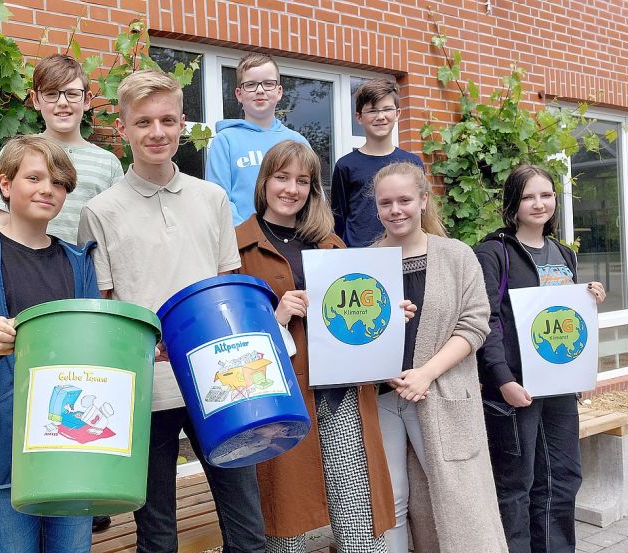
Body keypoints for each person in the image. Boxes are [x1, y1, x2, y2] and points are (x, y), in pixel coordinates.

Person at [77, 69, 266, 553]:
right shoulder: (100, 210)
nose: (156, 132)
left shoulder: (213, 198)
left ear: (183, 123)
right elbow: (105, 304)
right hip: (148, 388)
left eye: (166, 120)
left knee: (246, 525)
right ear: (123, 130)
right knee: (156, 532)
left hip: (220, 383)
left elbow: (227, 284)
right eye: (143, 123)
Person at [0, 136, 98, 553]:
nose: (49, 188)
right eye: (35, 177)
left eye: (59, 182)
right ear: (5, 184)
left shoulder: (79, 263)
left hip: (70, 455)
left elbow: (92, 360)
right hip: (0, 453)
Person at [235, 140, 397, 553]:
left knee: (358, 513)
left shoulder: (331, 244)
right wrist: (276, 319)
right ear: (264, 182)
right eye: (282, 177)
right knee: (287, 520)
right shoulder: (238, 247)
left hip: (341, 392)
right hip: (282, 397)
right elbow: (231, 338)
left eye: (303, 181)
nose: (291, 189)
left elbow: (357, 315)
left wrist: (389, 313)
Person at [372, 162, 508, 553]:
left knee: (460, 499)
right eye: (386, 203)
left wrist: (426, 374)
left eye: (404, 200)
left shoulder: (456, 255)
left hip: (440, 396)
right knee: (392, 502)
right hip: (383, 399)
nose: (395, 210)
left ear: (423, 201)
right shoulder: (364, 260)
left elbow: (475, 324)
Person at [475, 165, 606, 553]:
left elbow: (566, 320)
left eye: (546, 195)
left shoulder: (564, 254)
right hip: (515, 390)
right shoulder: (493, 253)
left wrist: (589, 302)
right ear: (513, 203)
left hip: (560, 390)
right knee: (515, 485)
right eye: (529, 196)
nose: (539, 203)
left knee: (563, 479)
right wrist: (502, 379)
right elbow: (487, 321)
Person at [0, 54, 124, 240]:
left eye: (72, 94)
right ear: (36, 99)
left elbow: (116, 228)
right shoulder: (16, 152)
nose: (62, 103)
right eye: (51, 94)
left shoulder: (108, 163)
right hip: (25, 264)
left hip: (86, 267)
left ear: (86, 100)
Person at [206, 52, 310, 225]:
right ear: (239, 94)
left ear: (279, 92)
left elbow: (313, 198)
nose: (260, 90)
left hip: (292, 240)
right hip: (243, 244)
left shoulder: (298, 142)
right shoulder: (225, 141)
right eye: (251, 84)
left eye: (268, 84)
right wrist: (247, 237)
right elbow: (218, 199)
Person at [330, 78, 423, 247]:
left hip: (405, 251)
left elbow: (421, 213)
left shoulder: (412, 162)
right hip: (360, 256)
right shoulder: (345, 166)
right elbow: (338, 219)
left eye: (387, 109)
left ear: (398, 114)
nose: (380, 117)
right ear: (359, 117)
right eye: (372, 111)